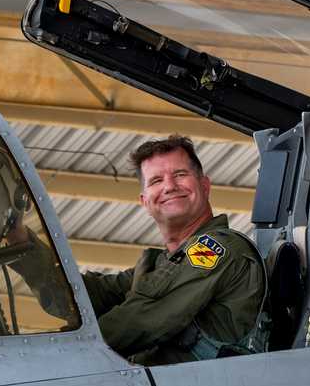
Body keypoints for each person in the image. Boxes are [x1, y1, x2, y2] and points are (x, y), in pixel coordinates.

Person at [63, 136, 264, 365]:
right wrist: (23, 244)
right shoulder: (164, 263)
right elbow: (90, 296)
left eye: (180, 175)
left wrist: (64, 354)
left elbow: (143, 318)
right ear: (145, 201)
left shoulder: (216, 249)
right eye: (156, 180)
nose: (169, 186)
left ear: (205, 186)